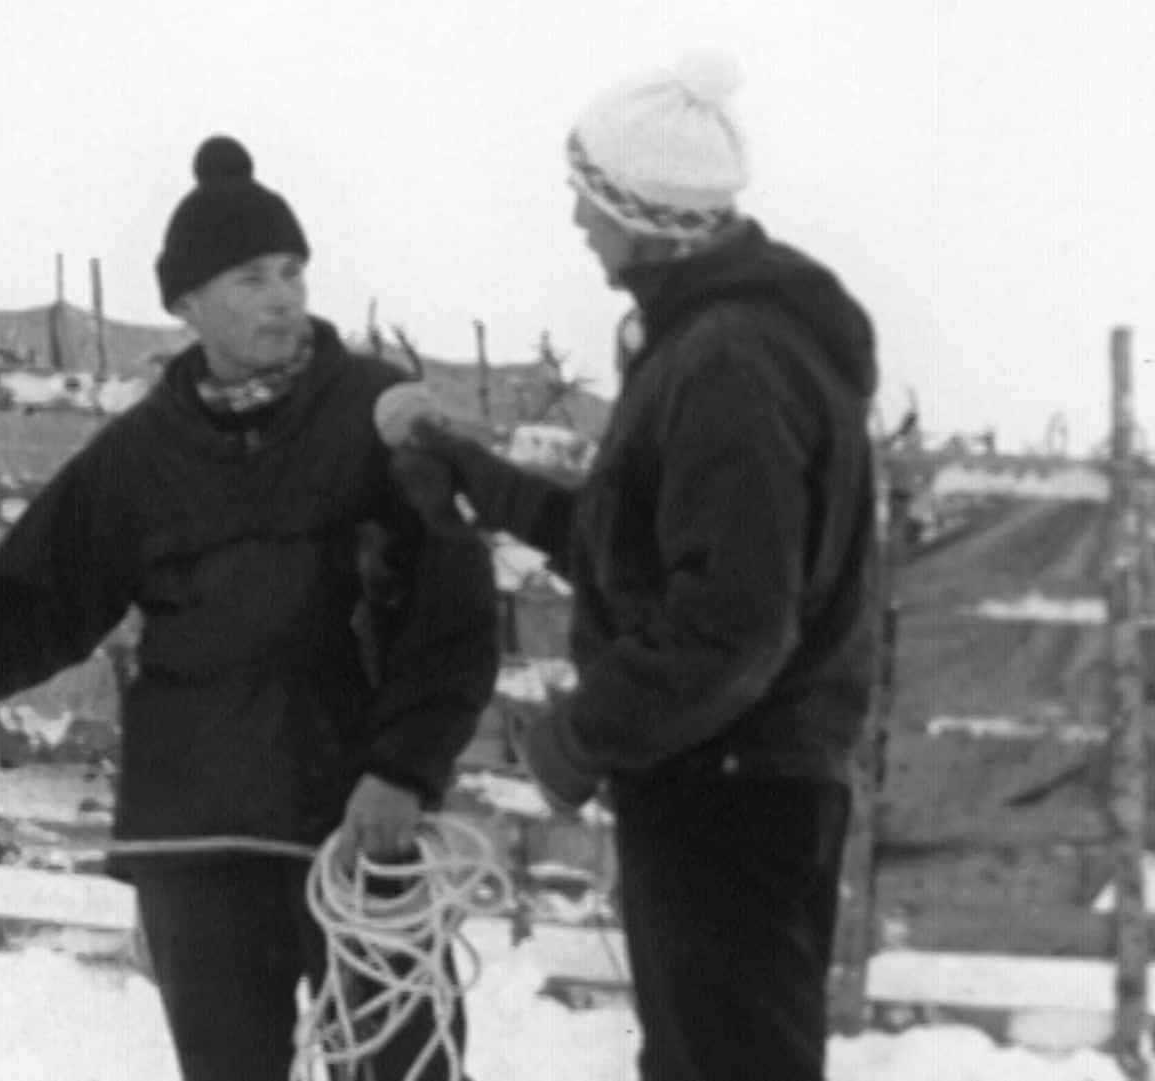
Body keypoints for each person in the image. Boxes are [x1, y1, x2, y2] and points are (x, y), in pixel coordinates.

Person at [0, 134, 500, 1081]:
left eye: (292, 272)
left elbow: (455, 612)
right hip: (198, 842)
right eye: (251, 278)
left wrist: (405, 769)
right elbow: (20, 612)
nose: (283, 296)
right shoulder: (140, 458)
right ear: (188, 304)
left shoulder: (378, 415)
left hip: (358, 822)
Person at [406, 56, 878, 1081]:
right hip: (731, 782)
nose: (577, 216)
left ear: (648, 215)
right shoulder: (716, 345)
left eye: (592, 193)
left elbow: (731, 624)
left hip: (730, 793)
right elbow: (634, 553)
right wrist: (486, 481)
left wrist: (581, 733)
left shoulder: (731, 362)